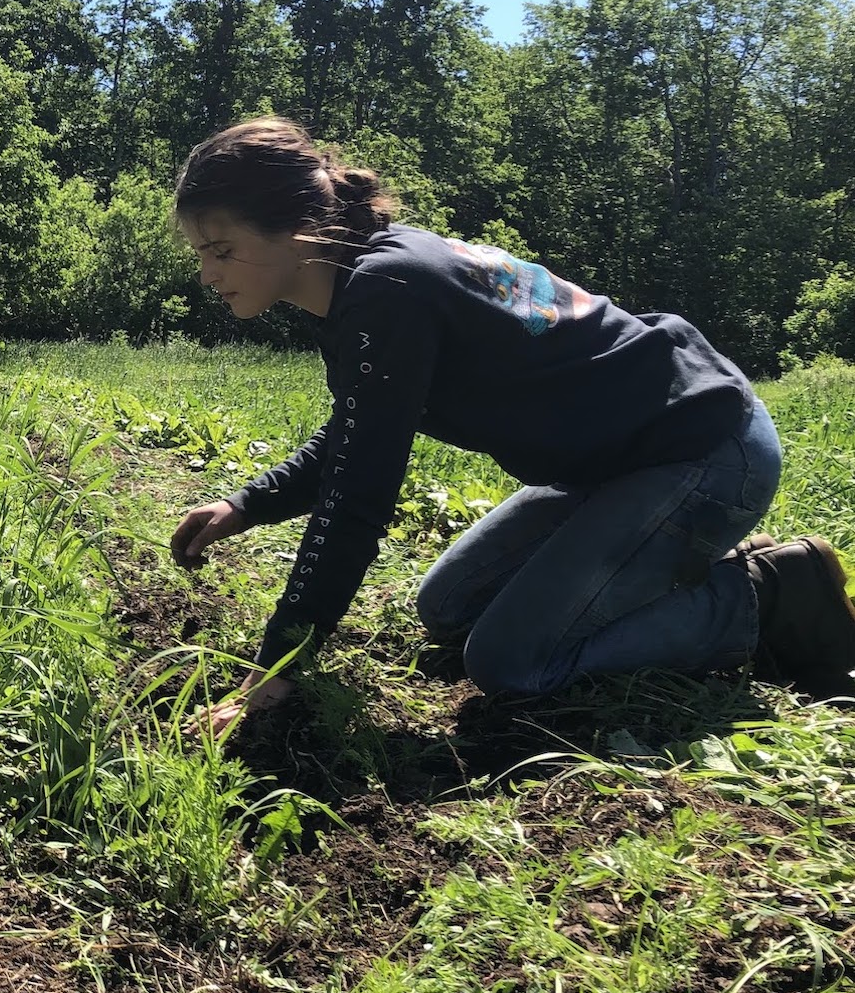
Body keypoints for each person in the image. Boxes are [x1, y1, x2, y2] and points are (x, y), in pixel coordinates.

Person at [166, 116, 855, 734]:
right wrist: (245, 504)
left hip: (702, 448)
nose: (206, 274)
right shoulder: (361, 280)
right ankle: (669, 562)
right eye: (201, 252)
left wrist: (275, 668)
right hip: (615, 462)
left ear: (295, 229)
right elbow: (357, 436)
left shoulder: (385, 291)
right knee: (449, 605)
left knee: (513, 661)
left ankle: (765, 595)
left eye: (220, 250)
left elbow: (358, 497)